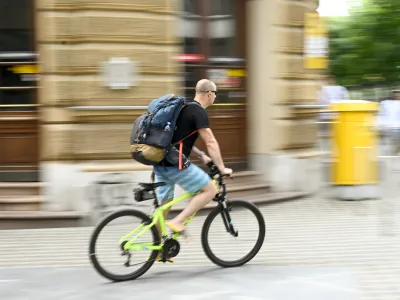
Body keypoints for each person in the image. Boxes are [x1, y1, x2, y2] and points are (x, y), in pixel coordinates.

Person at [153, 79, 233, 254]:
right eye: (216, 94)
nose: (216, 97)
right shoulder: (199, 112)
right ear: (209, 94)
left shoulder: (183, 108)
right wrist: (221, 167)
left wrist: (201, 155)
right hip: (175, 165)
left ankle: (158, 248)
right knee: (210, 190)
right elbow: (210, 141)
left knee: (164, 206)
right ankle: (179, 221)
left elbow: (181, 139)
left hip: (161, 162)